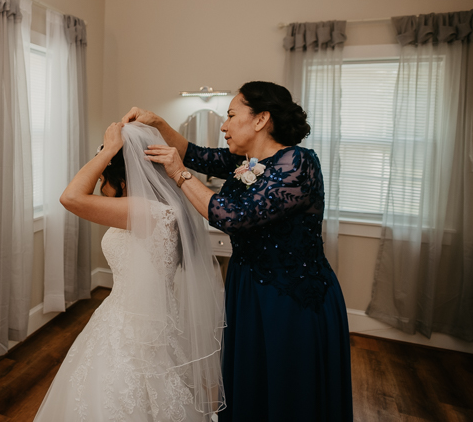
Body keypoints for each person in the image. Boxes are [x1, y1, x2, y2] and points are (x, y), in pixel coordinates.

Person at [124, 81, 353, 422]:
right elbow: (194, 153)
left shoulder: (298, 162)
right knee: (253, 382)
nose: (223, 124)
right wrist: (157, 123)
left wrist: (179, 174)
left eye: (231, 115)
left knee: (288, 388)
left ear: (261, 118)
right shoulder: (245, 161)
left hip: (290, 297)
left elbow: (237, 216)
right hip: (248, 289)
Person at [34, 122, 226, 422]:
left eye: (104, 174)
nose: (98, 179)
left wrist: (109, 149)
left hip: (133, 323)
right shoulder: (159, 206)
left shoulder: (146, 212)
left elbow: (70, 197)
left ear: (121, 176)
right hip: (142, 316)